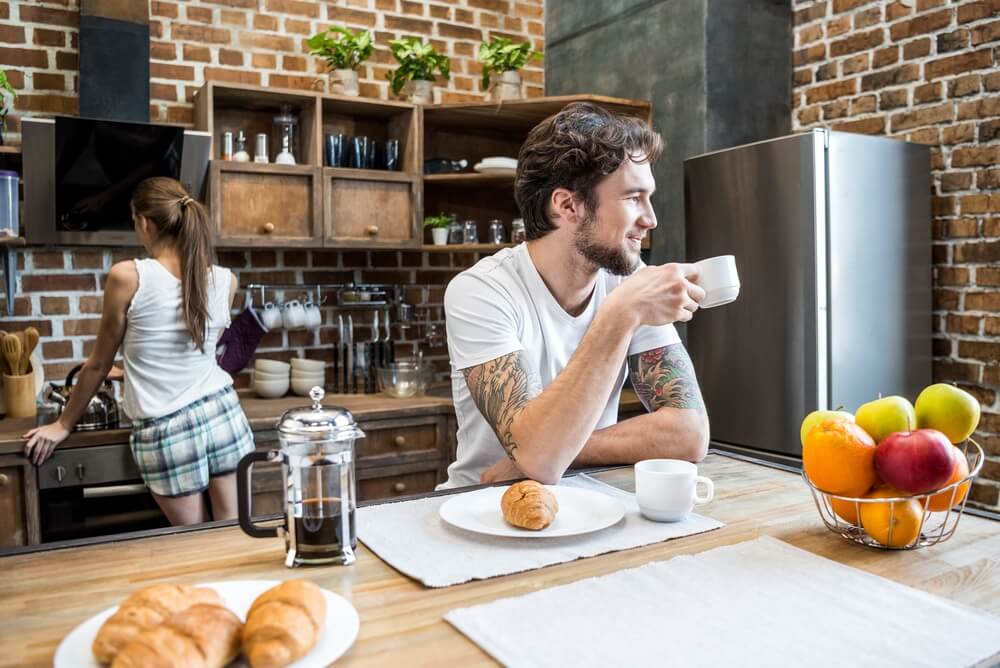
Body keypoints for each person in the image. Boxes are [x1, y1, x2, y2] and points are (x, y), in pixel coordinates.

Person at [440, 102, 709, 489]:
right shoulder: (482, 291)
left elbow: (690, 433)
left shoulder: (629, 284)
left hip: (591, 503)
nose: (651, 219)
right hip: (482, 512)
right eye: (634, 198)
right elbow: (541, 458)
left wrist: (549, 454)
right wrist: (621, 314)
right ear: (568, 206)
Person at [24, 177, 254, 526]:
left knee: (192, 541)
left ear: (144, 221)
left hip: (168, 430)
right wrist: (128, 371)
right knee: (231, 537)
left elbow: (98, 364)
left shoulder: (128, 276)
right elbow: (197, 350)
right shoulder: (226, 279)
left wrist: (62, 424)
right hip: (224, 414)